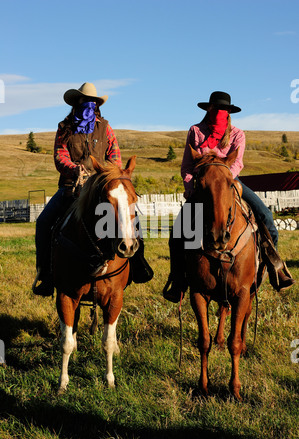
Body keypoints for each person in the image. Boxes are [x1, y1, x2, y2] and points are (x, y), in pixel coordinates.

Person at [163, 91, 295, 303]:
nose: (219, 113)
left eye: (223, 110)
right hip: (203, 186)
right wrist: (189, 187)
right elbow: (188, 165)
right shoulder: (195, 131)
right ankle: (178, 280)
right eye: (215, 109)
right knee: (178, 230)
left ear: (229, 112)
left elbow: (237, 163)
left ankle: (276, 268)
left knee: (266, 217)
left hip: (230, 182)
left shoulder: (237, 134)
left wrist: (225, 183)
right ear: (208, 109)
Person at [33, 82, 153, 296]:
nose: (89, 105)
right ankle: (46, 273)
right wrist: (75, 170)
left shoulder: (105, 128)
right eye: (84, 101)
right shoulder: (65, 127)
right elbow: (60, 156)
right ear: (76, 103)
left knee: (133, 220)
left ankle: (137, 266)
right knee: (43, 223)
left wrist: (103, 174)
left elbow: (114, 157)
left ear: (97, 105)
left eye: (93, 102)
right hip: (71, 187)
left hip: (101, 188)